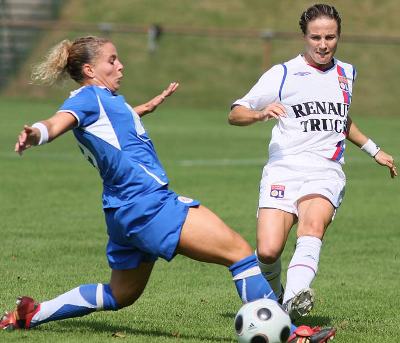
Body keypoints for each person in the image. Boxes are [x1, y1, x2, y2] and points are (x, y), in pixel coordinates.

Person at [0, 36, 335, 342]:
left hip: (122, 212)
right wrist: (38, 134)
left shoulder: (104, 100)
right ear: (90, 69)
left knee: (120, 294)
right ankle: (290, 335)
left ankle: (33, 312)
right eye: (112, 60)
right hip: (149, 206)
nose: (121, 65)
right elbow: (60, 121)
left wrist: (140, 111)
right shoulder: (88, 98)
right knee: (240, 254)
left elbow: (109, 126)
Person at [229, 3, 397, 323]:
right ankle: (277, 295)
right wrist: (260, 113)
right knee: (267, 251)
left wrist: (373, 149)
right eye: (316, 37)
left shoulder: (346, 73)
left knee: (311, 227)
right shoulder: (283, 73)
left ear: (339, 37)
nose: (323, 44)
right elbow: (236, 112)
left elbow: (340, 121)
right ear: (304, 36)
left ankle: (294, 299)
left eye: (330, 37)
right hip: (283, 167)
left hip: (325, 169)